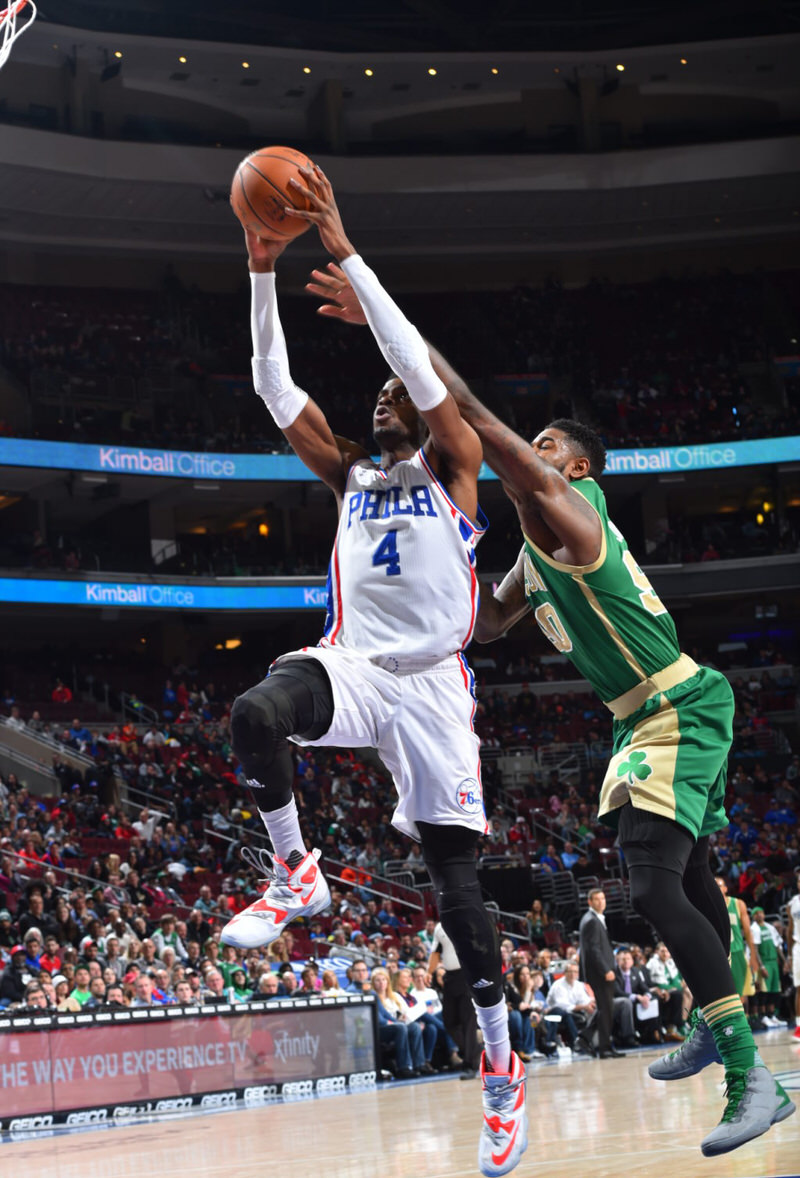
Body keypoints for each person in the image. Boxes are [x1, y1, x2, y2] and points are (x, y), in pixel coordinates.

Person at [315, 337, 794, 1154]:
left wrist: (408, 340)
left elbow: (486, 434)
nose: (530, 451)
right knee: (693, 876)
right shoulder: (538, 557)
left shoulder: (580, 520)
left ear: (576, 472)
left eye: (546, 448)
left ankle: (755, 1077)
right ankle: (725, 1029)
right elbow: (490, 622)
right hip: (642, 713)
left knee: (649, 879)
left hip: (677, 702)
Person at [220, 164, 524, 1175]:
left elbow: (432, 385)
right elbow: (273, 388)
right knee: (254, 711)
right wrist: (262, 267)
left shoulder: (454, 464)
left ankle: (497, 1069)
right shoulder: (352, 472)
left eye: (397, 389)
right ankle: (292, 867)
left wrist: (343, 247)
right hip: (352, 665)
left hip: (434, 686)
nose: (386, 395)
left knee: (460, 900)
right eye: (381, 391)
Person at [579, 888, 624, 1057]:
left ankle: (585, 1038)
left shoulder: (594, 919)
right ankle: (604, 1048)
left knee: (605, 1009)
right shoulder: (591, 920)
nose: (601, 902)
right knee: (606, 1010)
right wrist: (605, 969)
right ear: (589, 902)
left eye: (603, 899)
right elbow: (594, 949)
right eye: (596, 899)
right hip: (600, 973)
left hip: (600, 972)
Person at [787, 873, 800, 1039]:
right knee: (799, 987)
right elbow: (790, 930)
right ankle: (799, 1026)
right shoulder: (793, 904)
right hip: (798, 947)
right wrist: (789, 956)